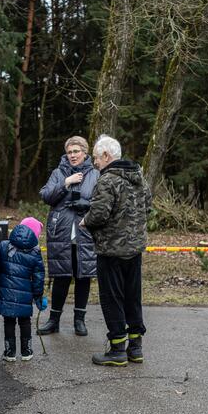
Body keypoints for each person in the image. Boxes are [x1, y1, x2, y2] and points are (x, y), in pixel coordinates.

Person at [81, 135, 151, 367]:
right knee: (133, 298)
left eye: (96, 158)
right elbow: (147, 207)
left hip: (111, 251)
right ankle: (136, 348)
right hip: (135, 248)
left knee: (112, 299)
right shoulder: (140, 177)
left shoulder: (107, 180)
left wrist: (85, 221)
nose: (95, 163)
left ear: (106, 156)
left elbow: (99, 214)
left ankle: (117, 349)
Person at [37, 136, 99, 336]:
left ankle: (79, 320)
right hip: (61, 232)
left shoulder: (95, 174)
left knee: (83, 276)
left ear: (85, 152)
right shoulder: (58, 172)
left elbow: (102, 202)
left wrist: (87, 205)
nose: (72, 155)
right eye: (70, 152)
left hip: (84, 232)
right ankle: (53, 320)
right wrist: (66, 183)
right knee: (61, 276)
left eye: (76, 151)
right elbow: (46, 196)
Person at [0, 217, 47, 362]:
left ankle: (10, 352)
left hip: (6, 293)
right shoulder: (35, 252)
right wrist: (38, 295)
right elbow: (39, 277)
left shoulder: (3, 246)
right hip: (25, 296)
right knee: (25, 322)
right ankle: (26, 351)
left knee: (9, 322)